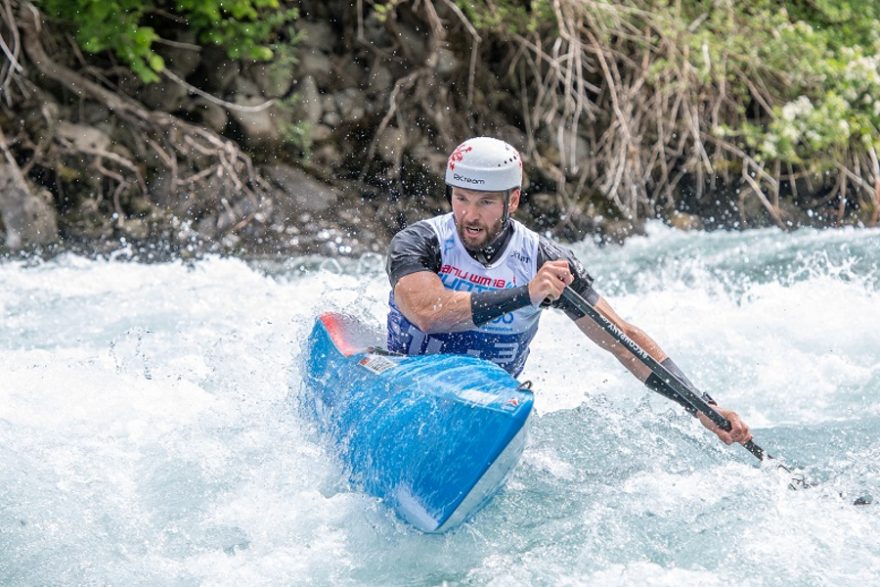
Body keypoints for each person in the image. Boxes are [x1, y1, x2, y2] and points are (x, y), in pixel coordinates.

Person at [385, 136, 751, 446]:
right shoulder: (421, 242)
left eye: (485, 202)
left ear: (512, 201)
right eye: (461, 199)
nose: (470, 216)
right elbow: (427, 313)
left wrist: (701, 404)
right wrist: (526, 294)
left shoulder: (545, 259)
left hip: (488, 407)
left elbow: (621, 338)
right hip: (406, 384)